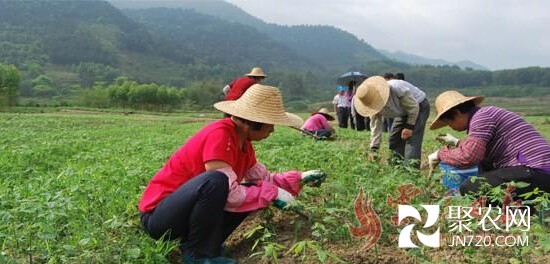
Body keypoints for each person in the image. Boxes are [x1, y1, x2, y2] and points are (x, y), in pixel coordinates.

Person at [138, 85, 327, 263]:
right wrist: (272, 193)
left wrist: (299, 178)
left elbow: (263, 179)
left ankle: (205, 247)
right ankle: (197, 254)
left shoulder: (244, 143)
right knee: (216, 182)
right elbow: (230, 194)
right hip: (159, 217)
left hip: (184, 214)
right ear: (253, 123)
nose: (272, 129)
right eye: (270, 124)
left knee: (251, 188)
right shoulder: (220, 134)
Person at [427, 90, 550, 199]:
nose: (451, 127)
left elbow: (469, 156)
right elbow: (478, 149)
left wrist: (440, 154)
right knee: (483, 175)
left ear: (457, 113)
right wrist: (457, 142)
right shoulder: (484, 115)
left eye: (449, 122)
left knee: (471, 187)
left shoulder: (482, 117)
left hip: (535, 171)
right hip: (534, 172)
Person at [354, 76, 430, 168]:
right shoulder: (371, 103)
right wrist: (374, 148)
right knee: (394, 138)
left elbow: (413, 108)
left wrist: (409, 127)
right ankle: (396, 167)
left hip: (418, 106)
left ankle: (411, 172)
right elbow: (375, 126)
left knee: (412, 140)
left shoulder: (397, 88)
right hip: (402, 112)